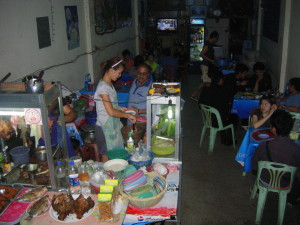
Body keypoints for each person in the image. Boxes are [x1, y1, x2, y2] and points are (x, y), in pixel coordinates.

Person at [251, 110, 300, 204]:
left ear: (273, 129)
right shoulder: (296, 149)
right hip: (286, 184)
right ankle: (291, 199)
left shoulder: (264, 145)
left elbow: (254, 165)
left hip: (265, 180)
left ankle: (257, 189)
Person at [94, 56, 136, 162]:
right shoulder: (102, 88)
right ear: (112, 70)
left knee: (114, 153)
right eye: (119, 73)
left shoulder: (109, 85)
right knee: (106, 155)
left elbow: (113, 106)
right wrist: (128, 115)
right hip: (104, 127)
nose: (120, 75)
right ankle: (107, 176)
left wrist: (123, 109)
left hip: (112, 126)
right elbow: (111, 111)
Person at [191, 31, 219, 101]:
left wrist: (215, 58)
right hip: (205, 65)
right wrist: (210, 60)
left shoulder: (210, 44)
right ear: (214, 37)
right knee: (206, 82)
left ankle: (198, 96)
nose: (217, 40)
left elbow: (209, 54)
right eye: (217, 38)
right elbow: (201, 54)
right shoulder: (207, 44)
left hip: (207, 65)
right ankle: (195, 95)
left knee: (205, 82)